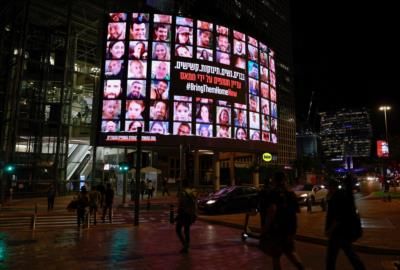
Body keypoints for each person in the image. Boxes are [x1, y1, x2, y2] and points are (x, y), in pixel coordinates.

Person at [259, 171, 305, 270]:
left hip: (278, 228)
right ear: (285, 180)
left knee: (276, 256)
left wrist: (265, 228)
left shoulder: (273, 193)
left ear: (274, 180)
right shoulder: (290, 193)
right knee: (290, 251)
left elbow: (272, 211)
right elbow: (298, 210)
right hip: (290, 227)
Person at [325, 175, 366, 270]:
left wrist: (330, 230)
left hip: (337, 232)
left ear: (332, 186)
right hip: (344, 231)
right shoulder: (344, 195)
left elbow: (337, 217)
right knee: (350, 254)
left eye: (329, 187)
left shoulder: (337, 197)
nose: (328, 189)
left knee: (331, 258)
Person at [175, 188, 197, 253]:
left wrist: (177, 215)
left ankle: (185, 245)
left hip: (183, 214)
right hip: (189, 214)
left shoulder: (183, 192)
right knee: (186, 230)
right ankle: (186, 245)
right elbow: (194, 204)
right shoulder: (191, 192)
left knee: (178, 229)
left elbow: (181, 205)